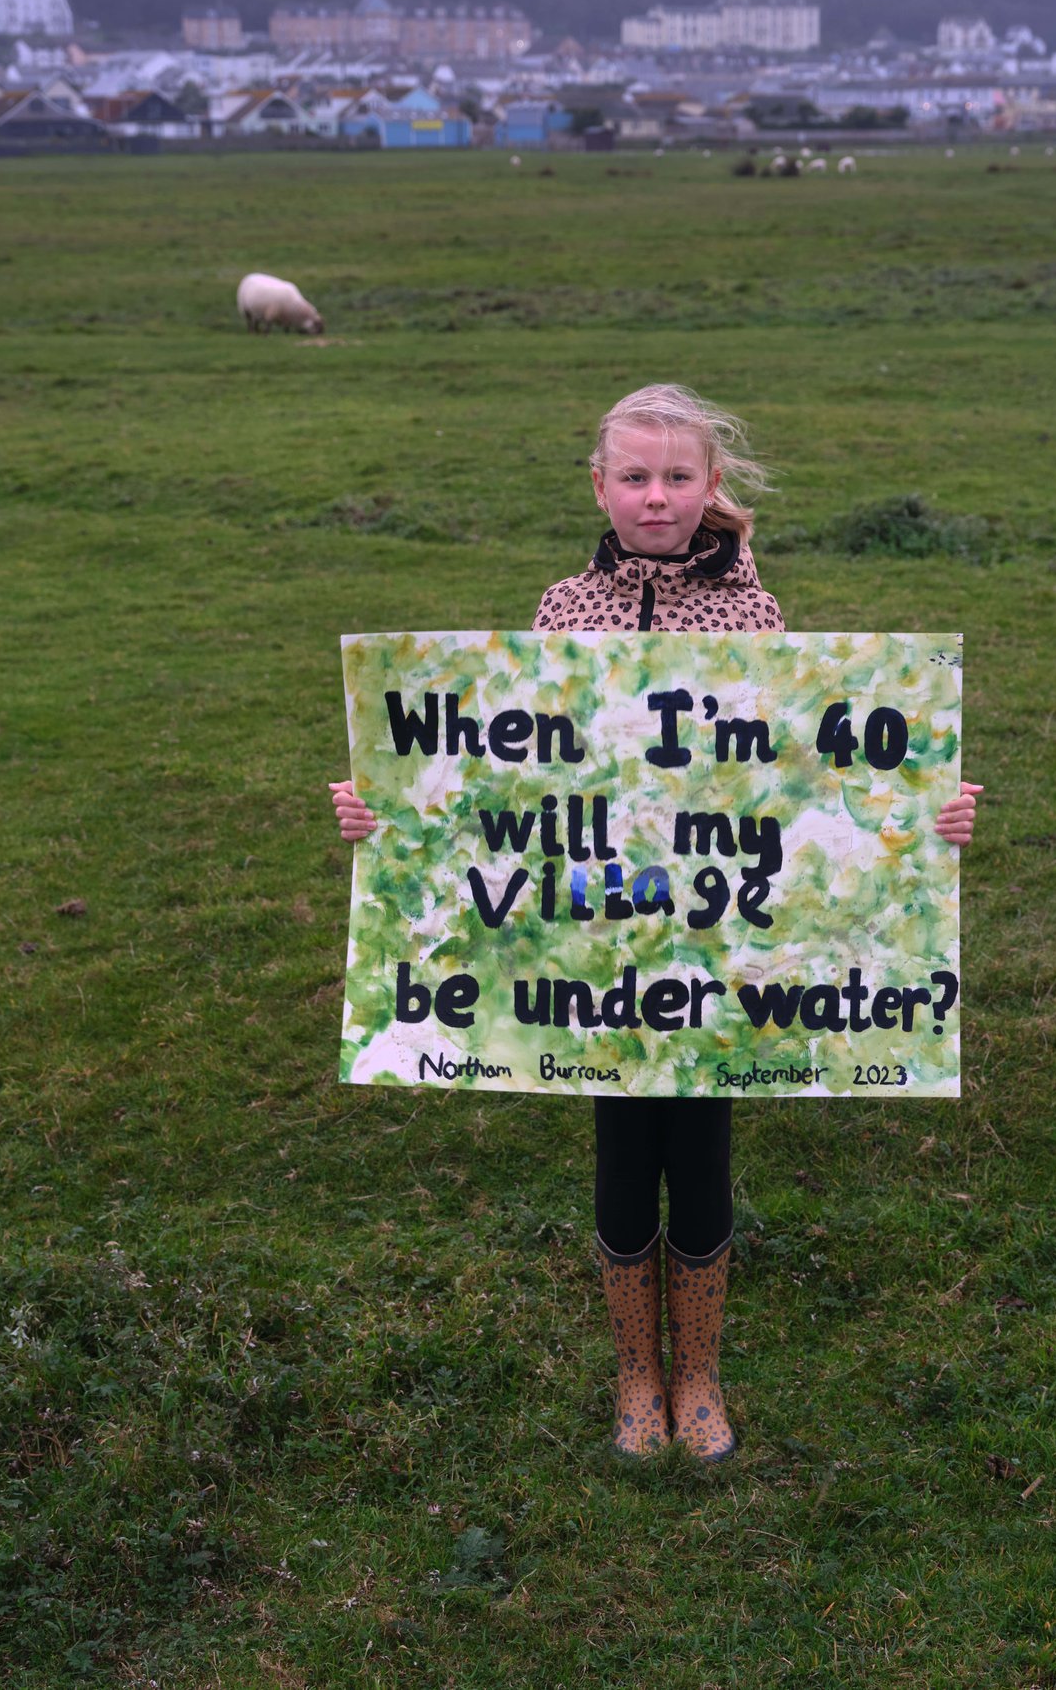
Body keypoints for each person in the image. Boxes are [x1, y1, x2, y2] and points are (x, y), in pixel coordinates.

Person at [328, 383, 981, 1462]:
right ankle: (636, 1373)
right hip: (591, 952)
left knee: (704, 1149)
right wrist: (383, 808)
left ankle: (701, 1375)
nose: (656, 496)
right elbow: (500, 771)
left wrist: (928, 807)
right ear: (600, 486)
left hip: (716, 952)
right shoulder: (559, 611)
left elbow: (811, 777)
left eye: (678, 477)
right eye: (634, 476)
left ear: (709, 488)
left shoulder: (755, 618)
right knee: (622, 1153)